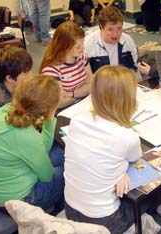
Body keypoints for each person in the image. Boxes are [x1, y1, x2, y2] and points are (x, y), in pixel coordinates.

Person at [64, 65, 152, 234]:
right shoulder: (127, 136)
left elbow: (96, 156)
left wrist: (120, 171)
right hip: (103, 221)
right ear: (127, 100)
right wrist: (123, 171)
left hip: (70, 208)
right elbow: (135, 159)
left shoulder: (77, 119)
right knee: (150, 195)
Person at [0, 75, 64, 212]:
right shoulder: (28, 136)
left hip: (1, 188)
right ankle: (56, 209)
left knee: (59, 154)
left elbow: (36, 148)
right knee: (67, 166)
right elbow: (47, 176)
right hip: (19, 201)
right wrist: (51, 118)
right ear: (48, 109)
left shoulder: (3, 111)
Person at [40, 21, 92, 109]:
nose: (82, 49)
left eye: (82, 44)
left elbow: (91, 84)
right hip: (66, 110)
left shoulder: (81, 56)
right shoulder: (51, 70)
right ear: (64, 47)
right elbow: (59, 103)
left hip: (85, 103)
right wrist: (83, 91)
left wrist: (71, 94)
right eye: (78, 47)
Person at [84, 6, 138, 73]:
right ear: (101, 27)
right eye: (110, 29)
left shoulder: (128, 41)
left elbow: (133, 66)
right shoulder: (87, 44)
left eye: (119, 28)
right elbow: (83, 75)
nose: (115, 34)